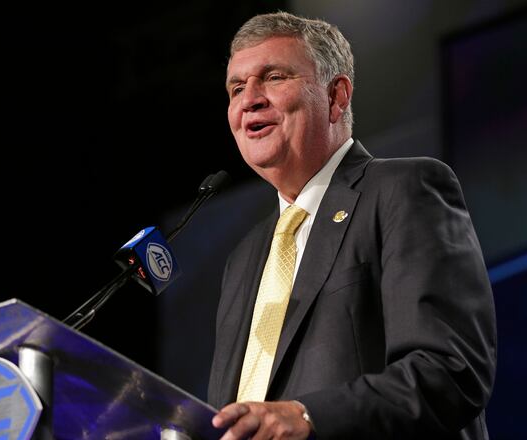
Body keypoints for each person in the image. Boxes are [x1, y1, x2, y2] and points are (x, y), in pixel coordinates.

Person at [208, 12, 496, 439]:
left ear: (337, 96)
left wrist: (309, 417)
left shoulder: (402, 190)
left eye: (272, 77)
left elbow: (451, 370)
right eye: (236, 88)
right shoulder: (244, 258)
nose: (249, 99)